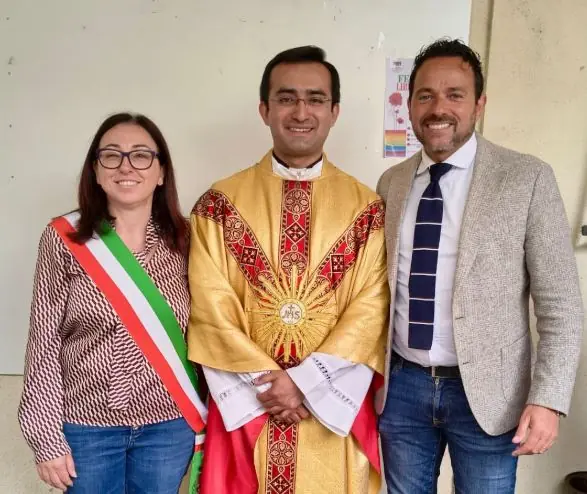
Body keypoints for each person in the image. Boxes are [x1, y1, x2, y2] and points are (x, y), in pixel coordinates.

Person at [376, 38, 584, 493]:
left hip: (490, 396)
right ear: (410, 106)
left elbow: (561, 305)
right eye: (425, 95)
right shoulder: (391, 183)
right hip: (402, 389)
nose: (439, 108)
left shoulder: (526, 178)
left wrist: (548, 399)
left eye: (455, 94)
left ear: (479, 104)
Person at [187, 46, 389, 494]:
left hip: (330, 412)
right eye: (286, 98)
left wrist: (304, 384)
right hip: (250, 406)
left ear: (334, 112)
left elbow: (371, 309)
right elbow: (210, 306)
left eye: (316, 99)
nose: (301, 112)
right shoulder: (218, 205)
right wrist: (271, 388)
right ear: (264, 109)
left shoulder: (367, 210)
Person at [18, 113, 207, 493]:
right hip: (86, 427)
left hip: (168, 426)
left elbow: (211, 327)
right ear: (96, 170)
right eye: (111, 155)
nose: (126, 166)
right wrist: (45, 437)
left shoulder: (188, 240)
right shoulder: (64, 238)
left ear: (161, 172)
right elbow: (44, 342)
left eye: (141, 155)